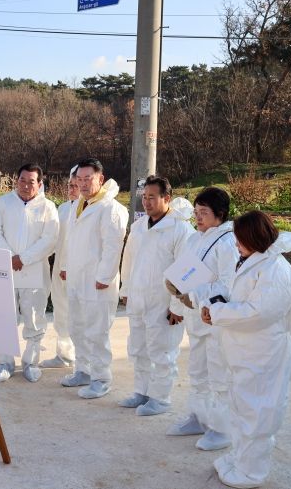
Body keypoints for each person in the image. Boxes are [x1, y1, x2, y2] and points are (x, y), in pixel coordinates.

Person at [201, 211, 291, 488]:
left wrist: (218, 312)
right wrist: (215, 304)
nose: (236, 244)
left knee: (258, 413)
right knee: (241, 408)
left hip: (264, 354)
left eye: (240, 239)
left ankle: (252, 472)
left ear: (254, 237)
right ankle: (240, 459)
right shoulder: (253, 260)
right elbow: (239, 297)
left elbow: (259, 313)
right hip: (246, 351)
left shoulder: (275, 269)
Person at [165, 186, 238, 450]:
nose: (197, 217)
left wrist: (195, 296)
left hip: (214, 319)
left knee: (219, 376)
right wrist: (176, 291)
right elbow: (186, 272)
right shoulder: (195, 239)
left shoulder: (228, 242)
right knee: (197, 372)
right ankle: (199, 417)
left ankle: (223, 429)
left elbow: (229, 285)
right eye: (196, 212)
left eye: (203, 212)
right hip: (196, 318)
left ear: (220, 213)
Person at [118, 176, 194, 414]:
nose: (146, 202)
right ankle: (141, 392)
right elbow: (128, 261)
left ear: (166, 198)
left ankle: (160, 398)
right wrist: (126, 290)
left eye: (152, 197)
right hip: (139, 299)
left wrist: (177, 307)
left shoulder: (180, 229)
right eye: (144, 197)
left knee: (163, 352)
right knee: (139, 349)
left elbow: (185, 271)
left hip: (164, 304)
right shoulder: (139, 226)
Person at [58, 158, 128, 399]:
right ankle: (83, 370)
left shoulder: (111, 208)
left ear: (101, 178)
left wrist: (104, 277)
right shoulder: (80, 204)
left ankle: (101, 378)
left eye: (88, 179)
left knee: (97, 332)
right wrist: (66, 266)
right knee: (77, 327)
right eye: (79, 179)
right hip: (77, 278)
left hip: (98, 282)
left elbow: (113, 246)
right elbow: (72, 241)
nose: (83, 184)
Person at [0, 163, 59, 383]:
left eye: (31, 181)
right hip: (6, 269)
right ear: (16, 180)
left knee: (34, 318)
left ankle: (31, 362)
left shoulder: (47, 207)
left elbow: (50, 239)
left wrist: (24, 258)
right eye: (22, 180)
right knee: (4, 317)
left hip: (34, 271)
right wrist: (10, 257)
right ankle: (4, 363)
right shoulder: (4, 202)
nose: (26, 185)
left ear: (40, 183)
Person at [40, 170, 79, 368]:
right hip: (58, 270)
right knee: (61, 312)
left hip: (76, 270)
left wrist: (68, 266)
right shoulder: (63, 209)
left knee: (76, 315)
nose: (71, 189)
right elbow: (54, 238)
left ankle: (82, 359)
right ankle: (64, 355)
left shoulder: (87, 210)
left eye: (75, 186)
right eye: (70, 185)